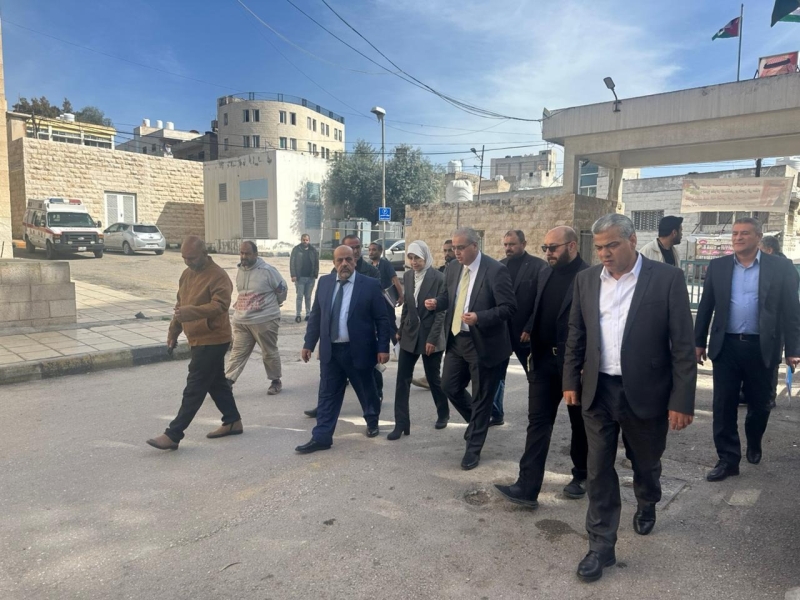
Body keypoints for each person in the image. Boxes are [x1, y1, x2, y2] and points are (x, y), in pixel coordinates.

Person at [563, 214, 696, 583]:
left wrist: (682, 399)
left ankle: (648, 499)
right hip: (599, 390)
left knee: (646, 461)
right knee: (598, 468)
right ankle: (601, 546)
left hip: (648, 390)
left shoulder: (667, 279)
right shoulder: (586, 279)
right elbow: (576, 332)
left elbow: (682, 344)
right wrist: (570, 379)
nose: (604, 253)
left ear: (633, 240)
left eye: (612, 245)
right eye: (599, 247)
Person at [695, 217, 800, 481]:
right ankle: (728, 459)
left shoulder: (780, 267)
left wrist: (793, 349)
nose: (738, 237)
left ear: (758, 237)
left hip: (762, 347)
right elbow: (706, 306)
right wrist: (698, 342)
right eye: (735, 233)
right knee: (723, 405)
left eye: (744, 233)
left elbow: (791, 310)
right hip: (726, 346)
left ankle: (754, 440)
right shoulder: (718, 266)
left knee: (761, 404)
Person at [495, 226, 589, 508]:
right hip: (543, 361)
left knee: (579, 424)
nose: (548, 253)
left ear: (571, 246)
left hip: (573, 365)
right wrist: (529, 329)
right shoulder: (545, 273)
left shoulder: (589, 277)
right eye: (545, 248)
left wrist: (586, 363)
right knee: (537, 423)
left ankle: (582, 475)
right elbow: (539, 307)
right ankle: (527, 487)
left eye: (553, 248)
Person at [425, 227, 516, 471]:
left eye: (461, 248)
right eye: (454, 248)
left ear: (475, 246)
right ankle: (478, 423)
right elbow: (450, 298)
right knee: (449, 386)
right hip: (457, 340)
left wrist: (480, 317)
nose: (456, 252)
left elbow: (509, 307)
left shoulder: (496, 270)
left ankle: (473, 448)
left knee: (482, 396)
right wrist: (437, 303)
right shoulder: (453, 268)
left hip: (484, 343)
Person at [147, 236, 243, 450]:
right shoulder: (186, 275)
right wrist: (173, 331)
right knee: (216, 383)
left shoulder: (218, 276)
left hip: (214, 338)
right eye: (184, 258)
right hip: (196, 338)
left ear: (204, 254)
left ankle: (174, 434)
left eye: (191, 258)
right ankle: (232, 421)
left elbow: (220, 306)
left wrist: (191, 312)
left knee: (195, 386)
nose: (187, 262)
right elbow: (180, 306)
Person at [297, 245, 391, 453]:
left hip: (359, 349)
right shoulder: (324, 283)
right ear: (334, 263)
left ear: (355, 261)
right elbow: (316, 316)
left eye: (348, 259)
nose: (344, 264)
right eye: (340, 260)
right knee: (327, 394)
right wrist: (308, 344)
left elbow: (382, 319)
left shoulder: (369, 285)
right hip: (331, 351)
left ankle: (372, 421)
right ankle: (321, 437)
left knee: (366, 390)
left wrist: (383, 347)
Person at [389, 240, 449, 440]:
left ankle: (443, 413)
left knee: (433, 378)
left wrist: (432, 339)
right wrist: (400, 329)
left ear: (426, 257)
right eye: (411, 258)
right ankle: (401, 424)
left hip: (431, 336)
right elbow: (408, 305)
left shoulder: (438, 277)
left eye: (417, 258)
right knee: (402, 379)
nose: (414, 262)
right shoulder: (408, 276)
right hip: (410, 334)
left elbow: (441, 312)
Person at [491, 230, 546, 426]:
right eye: (505, 244)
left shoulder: (539, 266)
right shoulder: (498, 267)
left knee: (534, 376)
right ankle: (496, 414)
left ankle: (538, 414)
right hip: (502, 333)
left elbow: (541, 301)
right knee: (497, 376)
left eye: (512, 244)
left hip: (525, 333)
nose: (508, 248)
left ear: (524, 243)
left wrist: (530, 327)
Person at [225, 241, 287, 396]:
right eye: (241, 253)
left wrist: (275, 304)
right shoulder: (240, 270)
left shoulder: (267, 271)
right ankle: (227, 382)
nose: (243, 256)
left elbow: (282, 289)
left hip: (264, 320)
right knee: (237, 352)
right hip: (242, 320)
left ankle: (275, 381)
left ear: (256, 254)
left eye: (247, 253)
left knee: (269, 352)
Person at [414, 239, 456, 390]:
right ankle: (432, 377)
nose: (447, 253)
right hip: (441, 316)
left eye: (450, 250)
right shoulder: (442, 270)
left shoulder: (460, 270)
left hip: (455, 317)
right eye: (445, 250)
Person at [290, 233, 319, 323]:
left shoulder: (313, 250)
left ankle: (308, 314)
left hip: (310, 278)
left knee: (308, 297)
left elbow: (316, 263)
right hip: (300, 278)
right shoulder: (296, 249)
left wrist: (315, 274)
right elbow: (292, 263)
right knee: (299, 297)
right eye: (303, 240)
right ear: (301, 240)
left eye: (306, 240)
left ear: (309, 241)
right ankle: (298, 315)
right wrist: (293, 275)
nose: (305, 241)